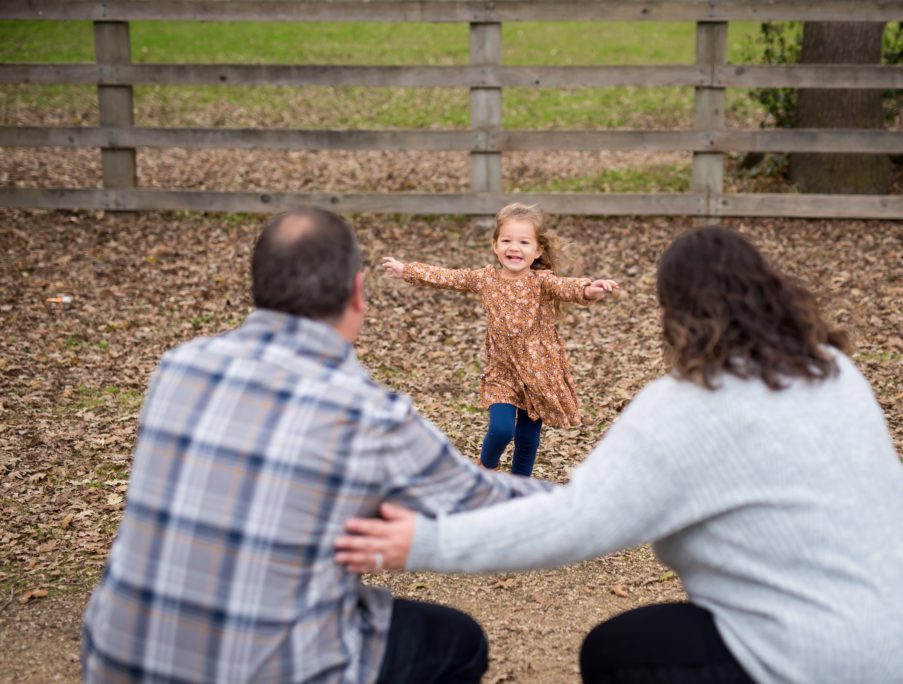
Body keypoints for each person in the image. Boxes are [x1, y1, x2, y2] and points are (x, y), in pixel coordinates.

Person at [336, 226, 903, 683]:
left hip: (856, 662)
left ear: (674, 315)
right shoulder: (833, 372)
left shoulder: (686, 408)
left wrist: (423, 543)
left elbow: (576, 521)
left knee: (617, 652)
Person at [80, 207, 552, 684]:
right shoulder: (367, 413)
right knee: (458, 639)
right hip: (274, 668)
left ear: (260, 284)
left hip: (117, 660)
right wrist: (601, 497)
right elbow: (487, 506)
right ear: (357, 293)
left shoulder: (177, 368)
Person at [380, 202, 618, 477]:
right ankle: (486, 469)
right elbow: (449, 277)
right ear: (495, 246)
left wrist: (590, 289)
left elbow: (566, 287)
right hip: (502, 370)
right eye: (506, 240)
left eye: (523, 242)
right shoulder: (486, 280)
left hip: (538, 371)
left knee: (527, 440)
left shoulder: (541, 281)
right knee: (502, 429)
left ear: (538, 250)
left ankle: (520, 488)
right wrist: (406, 270)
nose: (514, 248)